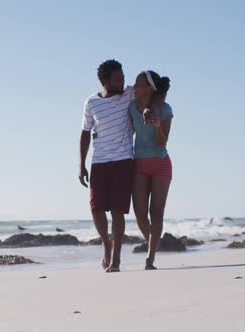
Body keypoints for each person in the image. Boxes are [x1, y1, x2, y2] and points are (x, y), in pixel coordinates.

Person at [79, 59, 134, 272]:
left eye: (123, 77)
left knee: (118, 212)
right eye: (118, 79)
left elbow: (150, 87)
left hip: (123, 161)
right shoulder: (91, 102)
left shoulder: (129, 94)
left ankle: (116, 259)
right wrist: (81, 164)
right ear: (106, 81)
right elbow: (85, 133)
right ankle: (106, 245)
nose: (123, 82)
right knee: (96, 209)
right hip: (99, 162)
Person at [128, 70, 173, 270]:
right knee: (139, 213)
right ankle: (153, 241)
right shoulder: (131, 107)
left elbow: (162, 142)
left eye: (138, 84)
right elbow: (127, 131)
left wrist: (156, 125)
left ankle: (150, 257)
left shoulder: (164, 109)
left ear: (149, 88)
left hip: (160, 163)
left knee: (156, 212)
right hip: (139, 164)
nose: (134, 87)